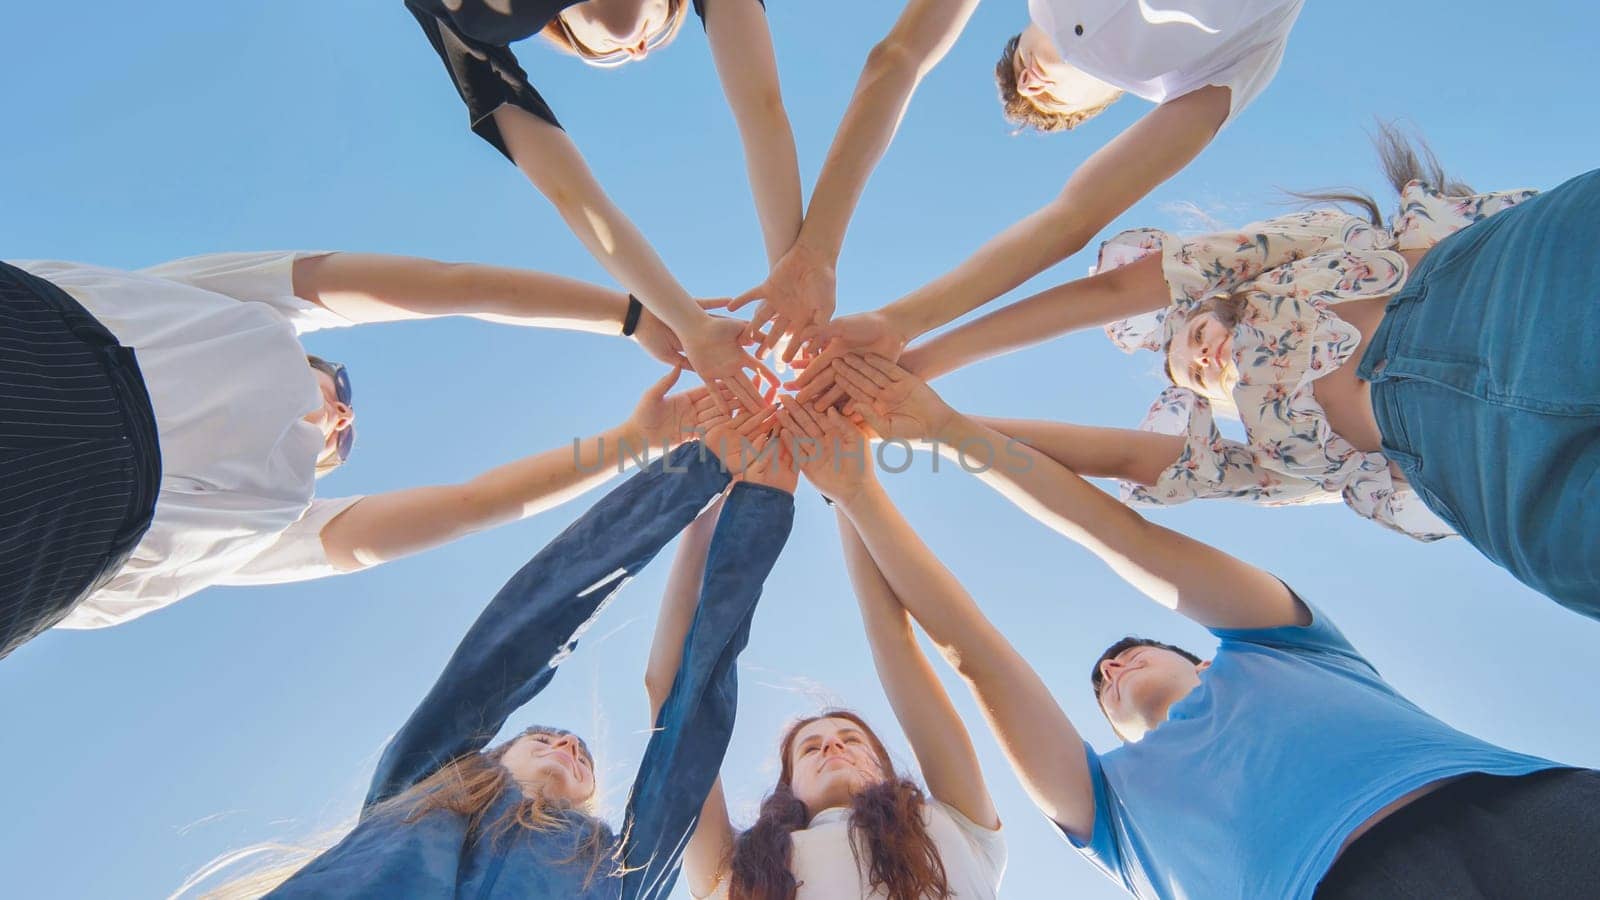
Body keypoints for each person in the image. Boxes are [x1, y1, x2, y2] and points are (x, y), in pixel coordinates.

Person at [795, 369, 1600, 898]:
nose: (1111, 665)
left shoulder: (1286, 644)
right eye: (1102, 685)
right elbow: (971, 653)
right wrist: (859, 495)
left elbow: (1125, 538)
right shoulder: (1106, 810)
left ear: (1195, 651)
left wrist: (943, 428)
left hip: (1529, 814)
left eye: (1127, 653)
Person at [857, 129, 1600, 614]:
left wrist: (922, 357)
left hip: (1501, 290)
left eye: (1198, 335)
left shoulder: (1322, 243)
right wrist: (933, 423)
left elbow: (1112, 292)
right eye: (1194, 378)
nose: (1203, 359)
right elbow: (1120, 456)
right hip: (1482, 465)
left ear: (1213, 304)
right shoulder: (1279, 464)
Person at [0, 247, 714, 658]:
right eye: (337, 384)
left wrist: (636, 443)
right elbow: (450, 289)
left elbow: (472, 505)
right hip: (46, 352)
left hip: (53, 540)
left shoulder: (263, 525)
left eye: (340, 444)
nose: (340, 418)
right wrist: (632, 316)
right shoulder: (226, 313)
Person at [197, 410, 796, 898]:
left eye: (571, 748)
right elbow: (520, 633)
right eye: (551, 739)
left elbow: (689, 735)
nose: (566, 745)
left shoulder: (618, 870)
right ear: (493, 753)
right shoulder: (422, 785)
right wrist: (694, 471)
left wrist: (759, 510)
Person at [738, 0, 1304, 365]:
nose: (1026, 82)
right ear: (1112, 99)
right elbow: (1072, 218)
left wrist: (817, 249)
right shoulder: (1217, 70)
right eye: (1048, 100)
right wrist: (897, 320)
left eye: (1018, 60)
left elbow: (901, 54)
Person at [648, 405, 1005, 899]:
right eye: (811, 749)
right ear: (787, 789)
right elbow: (672, 694)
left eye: (851, 740)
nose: (833, 747)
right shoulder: (737, 868)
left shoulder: (952, 823)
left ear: (883, 766)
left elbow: (893, 639)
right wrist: (708, 505)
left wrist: (844, 491)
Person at [404, 0, 797, 409]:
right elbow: (762, 107)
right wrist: (790, 277)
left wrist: (690, 325)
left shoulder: (472, 23)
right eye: (661, 31)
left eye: (603, 56)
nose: (638, 49)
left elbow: (574, 198)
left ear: (561, 27)